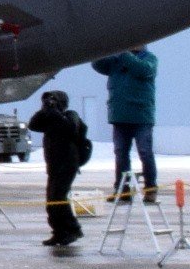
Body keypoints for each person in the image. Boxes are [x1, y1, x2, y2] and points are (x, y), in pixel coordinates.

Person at [25, 89, 92, 248]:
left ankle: (72, 229)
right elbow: (33, 125)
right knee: (51, 200)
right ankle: (59, 231)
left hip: (68, 164)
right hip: (54, 165)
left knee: (58, 198)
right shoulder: (49, 118)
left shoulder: (71, 116)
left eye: (53, 100)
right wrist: (45, 109)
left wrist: (54, 111)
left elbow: (69, 129)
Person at [91, 46, 158, 202]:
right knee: (121, 154)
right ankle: (123, 189)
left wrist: (123, 52)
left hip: (141, 117)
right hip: (120, 117)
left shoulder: (149, 59)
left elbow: (143, 70)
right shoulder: (116, 61)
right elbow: (98, 64)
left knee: (145, 152)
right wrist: (99, 49)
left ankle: (150, 189)